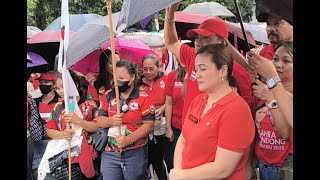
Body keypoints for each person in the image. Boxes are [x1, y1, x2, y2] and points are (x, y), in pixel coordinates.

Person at [164, 3, 256, 179]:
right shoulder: (193, 57)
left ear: (222, 42)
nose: (199, 42)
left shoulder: (237, 73)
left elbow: (247, 123)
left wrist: (249, 163)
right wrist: (170, 15)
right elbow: (171, 42)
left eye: (206, 38)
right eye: (197, 37)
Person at [94, 60, 155, 180]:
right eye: (115, 78)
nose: (117, 82)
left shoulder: (143, 97)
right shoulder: (108, 95)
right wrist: (111, 121)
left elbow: (149, 125)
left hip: (135, 152)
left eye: (121, 78)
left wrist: (128, 139)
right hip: (110, 153)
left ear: (132, 77)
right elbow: (99, 120)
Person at [249, 42, 293, 180]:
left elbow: (284, 132)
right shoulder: (262, 89)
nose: (278, 64)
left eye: (286, 60)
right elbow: (255, 132)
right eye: (275, 59)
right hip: (262, 164)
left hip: (282, 169)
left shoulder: (274, 92)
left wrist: (270, 97)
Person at [45, 70, 100, 179]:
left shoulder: (90, 104)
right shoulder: (57, 107)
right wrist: (63, 134)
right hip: (66, 157)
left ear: (75, 84)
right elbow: (49, 130)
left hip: (89, 156)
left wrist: (78, 121)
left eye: (63, 86)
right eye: (57, 88)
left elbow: (97, 127)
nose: (60, 91)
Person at [138, 54, 171, 179]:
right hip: (147, 128)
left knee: (169, 159)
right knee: (155, 160)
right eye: (145, 69)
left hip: (166, 125)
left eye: (151, 69)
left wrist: (161, 109)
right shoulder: (138, 84)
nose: (148, 72)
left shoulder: (166, 80)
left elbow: (173, 100)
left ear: (159, 67)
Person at [165, 62, 186, 170]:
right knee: (177, 163)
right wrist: (168, 128)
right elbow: (168, 103)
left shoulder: (200, 75)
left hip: (196, 127)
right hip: (177, 128)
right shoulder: (172, 76)